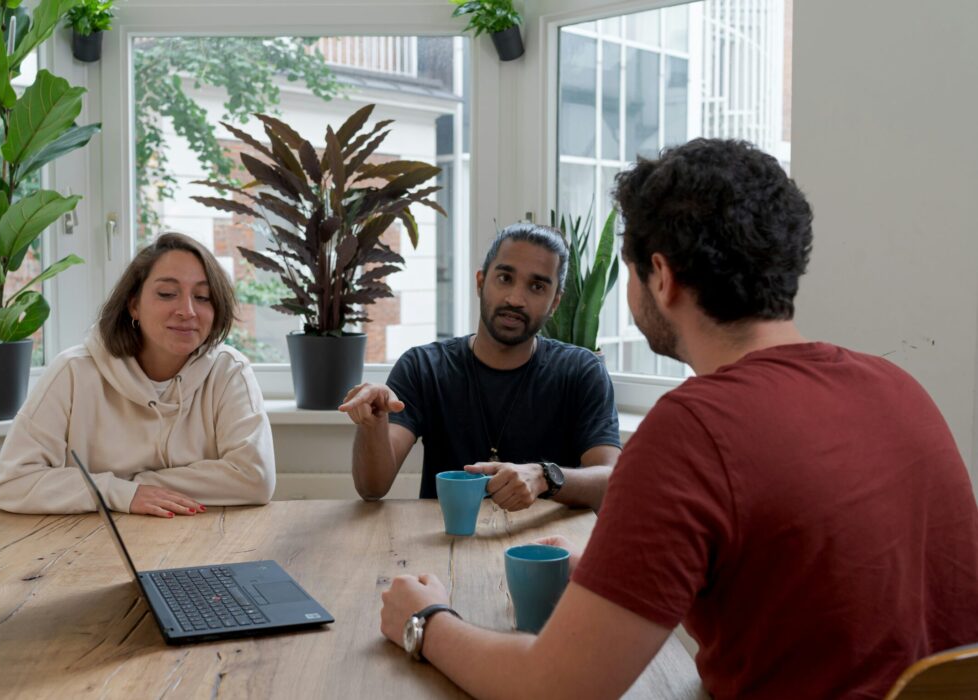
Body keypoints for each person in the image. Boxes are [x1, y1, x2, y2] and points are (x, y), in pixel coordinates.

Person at [376, 139, 978, 699]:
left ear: (659, 278)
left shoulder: (692, 431)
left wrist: (425, 622)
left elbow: (552, 687)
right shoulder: (899, 387)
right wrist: (630, 578)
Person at [340, 222, 621, 512]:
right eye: (504, 278)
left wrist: (544, 477)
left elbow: (612, 482)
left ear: (554, 303)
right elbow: (372, 488)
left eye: (537, 286)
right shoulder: (423, 367)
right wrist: (373, 426)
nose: (515, 299)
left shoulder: (581, 371)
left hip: (544, 551)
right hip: (446, 548)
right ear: (480, 282)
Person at [0, 233, 276, 517]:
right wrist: (120, 493)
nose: (187, 311)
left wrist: (135, 485)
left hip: (202, 539)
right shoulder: (73, 373)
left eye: (203, 297)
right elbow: (12, 482)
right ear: (134, 305)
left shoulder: (229, 371)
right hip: (87, 544)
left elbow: (255, 478)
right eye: (166, 294)